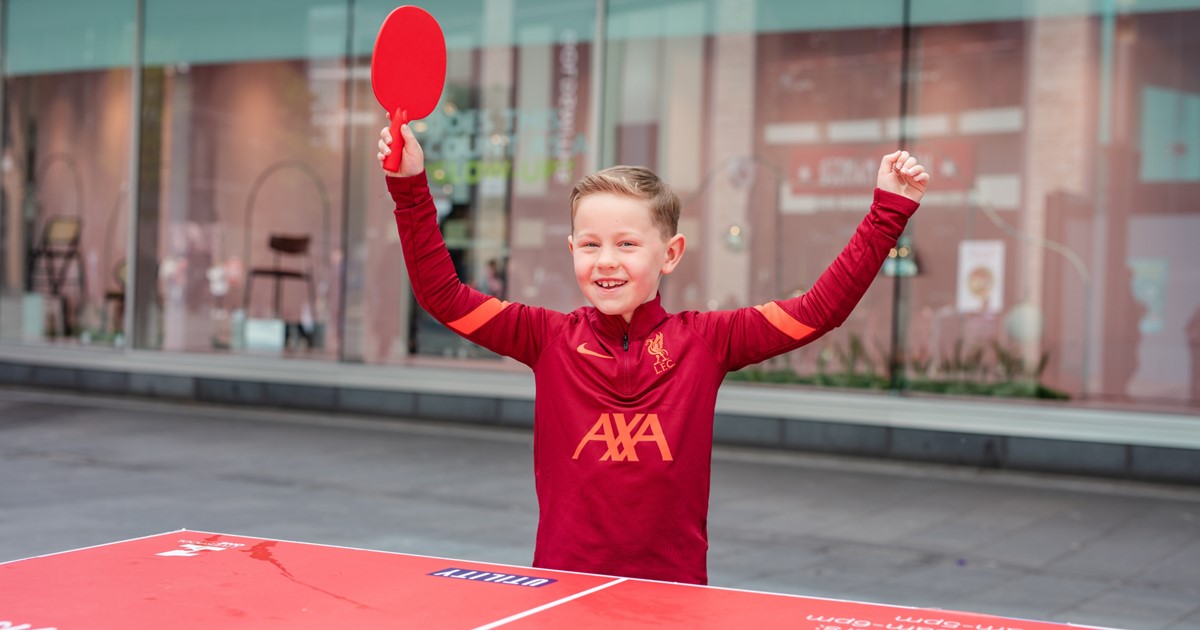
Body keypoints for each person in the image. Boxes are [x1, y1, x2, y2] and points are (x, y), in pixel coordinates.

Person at [378, 122, 929, 585]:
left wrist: (888, 212)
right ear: (572, 249)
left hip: (674, 599)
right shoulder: (545, 337)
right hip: (560, 590)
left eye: (627, 243)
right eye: (590, 244)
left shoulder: (709, 341)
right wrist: (409, 186)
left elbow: (817, 310)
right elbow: (442, 297)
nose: (606, 261)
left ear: (670, 254)